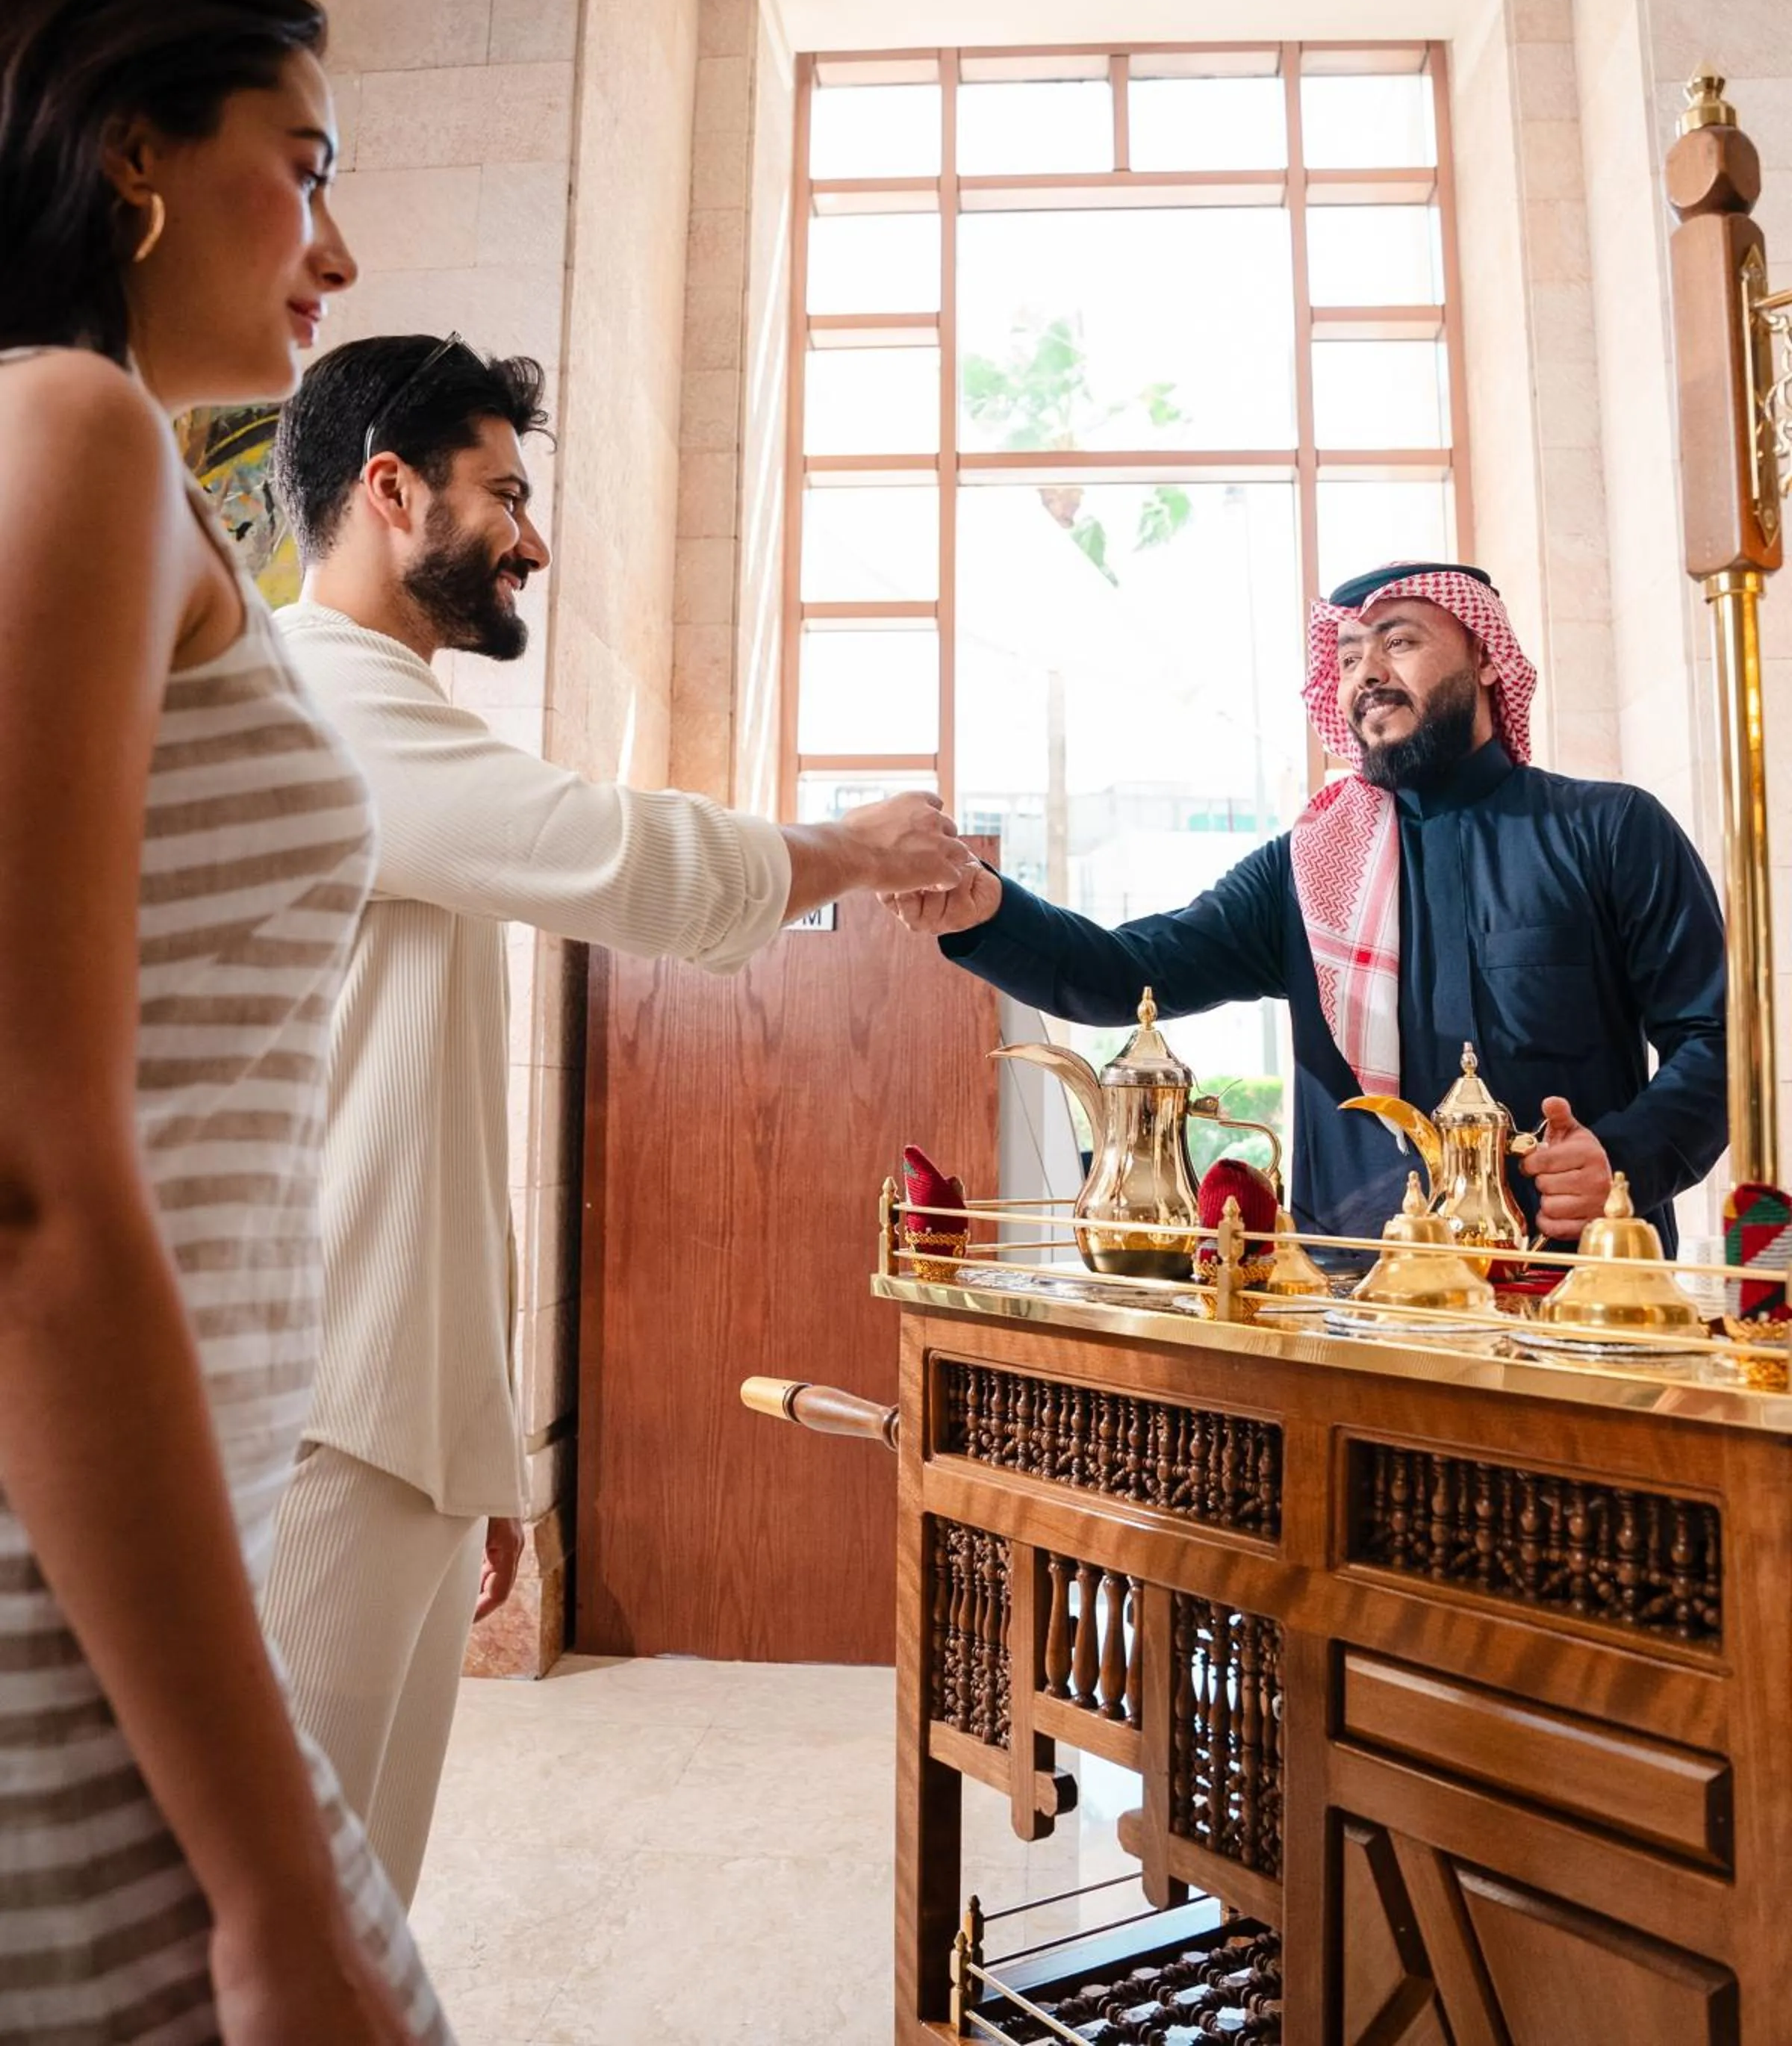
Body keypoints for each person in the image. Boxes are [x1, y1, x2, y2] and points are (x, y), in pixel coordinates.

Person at [261, 332, 973, 1906]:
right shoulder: (315, 695)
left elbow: (436, 1153)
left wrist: (482, 1459)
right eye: (505, 494)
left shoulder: (394, 715)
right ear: (391, 490)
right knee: (270, 1917)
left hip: (391, 1415)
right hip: (309, 1420)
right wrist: (855, 852)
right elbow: (612, 855)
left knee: (358, 1905)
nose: (531, 537)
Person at [0, 0, 449, 2046]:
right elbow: (23, 1172)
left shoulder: (119, 477)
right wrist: (270, 1877)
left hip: (139, 1551)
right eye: (310, 158)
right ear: (131, 153)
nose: (336, 255)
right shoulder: (66, 436)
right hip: (54, 1593)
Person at [889, 562, 1727, 1250]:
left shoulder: (1608, 830)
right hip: (1353, 1301)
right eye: (1353, 652)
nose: (1368, 672)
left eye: (1399, 641)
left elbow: (1718, 1043)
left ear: (1488, 657)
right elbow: (1127, 977)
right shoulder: (1310, 869)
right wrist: (984, 913)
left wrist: (1621, 1158)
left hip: (1578, 1287)